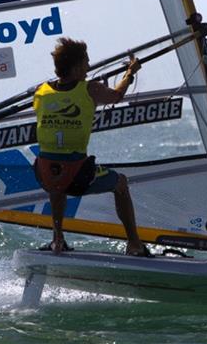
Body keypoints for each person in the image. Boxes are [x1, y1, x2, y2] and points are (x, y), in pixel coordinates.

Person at [33, 37, 151, 257]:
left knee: (57, 184)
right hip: (76, 174)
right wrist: (130, 73)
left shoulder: (40, 92)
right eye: (86, 63)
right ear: (77, 66)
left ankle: (57, 240)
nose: (88, 67)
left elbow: (62, 95)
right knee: (121, 184)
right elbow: (116, 95)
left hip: (44, 173)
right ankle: (135, 244)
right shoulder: (90, 89)